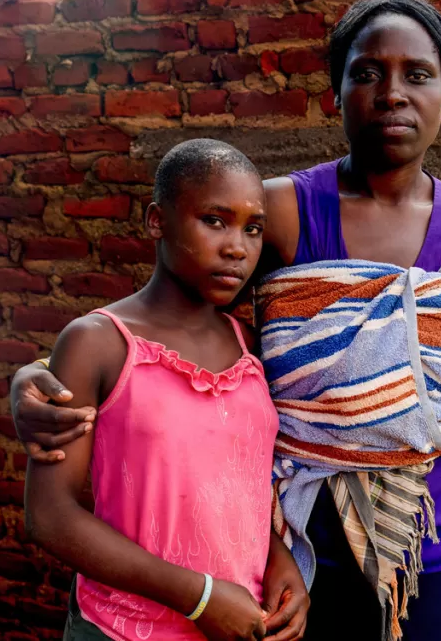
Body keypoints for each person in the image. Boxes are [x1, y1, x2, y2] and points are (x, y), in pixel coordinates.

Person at [13, 0, 441, 641]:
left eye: (418, 75)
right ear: (336, 94)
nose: (392, 93)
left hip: (436, 546)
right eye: (367, 72)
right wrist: (40, 373)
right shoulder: (281, 214)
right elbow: (169, 324)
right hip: (299, 551)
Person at [24, 139, 308, 641]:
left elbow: (231, 491)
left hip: (240, 626)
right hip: (124, 629)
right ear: (157, 220)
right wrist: (198, 598)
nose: (237, 247)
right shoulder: (99, 342)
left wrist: (280, 561)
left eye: (253, 228)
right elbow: (50, 516)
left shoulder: (250, 347)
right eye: (214, 220)